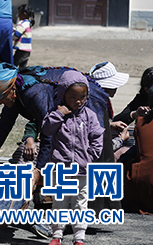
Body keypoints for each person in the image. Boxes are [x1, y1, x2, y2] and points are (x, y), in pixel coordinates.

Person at [0, 64, 110, 176]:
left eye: (1, 98)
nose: (0, 103)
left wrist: (39, 170)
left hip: (88, 107)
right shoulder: (16, 92)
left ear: (12, 89)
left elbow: (48, 132)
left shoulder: (34, 93)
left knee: (94, 168)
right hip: (70, 119)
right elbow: (4, 123)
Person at [41, 70, 104, 245]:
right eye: (72, 97)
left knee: (80, 203)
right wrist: (59, 114)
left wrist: (91, 156)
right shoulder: (56, 113)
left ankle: (79, 237)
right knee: (59, 202)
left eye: (82, 97)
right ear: (62, 95)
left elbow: (97, 136)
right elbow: (46, 129)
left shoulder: (89, 115)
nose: (78, 101)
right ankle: (57, 235)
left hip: (83, 170)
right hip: (60, 169)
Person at [12, 3, 35, 70]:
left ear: (24, 14)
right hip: (27, 50)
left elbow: (17, 35)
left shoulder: (21, 23)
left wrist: (10, 37)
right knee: (23, 68)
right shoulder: (29, 23)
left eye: (19, 13)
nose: (18, 15)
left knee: (13, 64)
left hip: (21, 49)